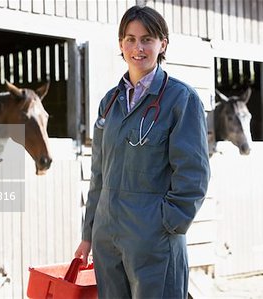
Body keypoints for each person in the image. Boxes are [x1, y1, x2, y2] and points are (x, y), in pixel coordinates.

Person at [74, 5, 210, 299]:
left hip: (154, 240)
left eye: (147, 39)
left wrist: (165, 225)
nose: (138, 47)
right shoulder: (109, 103)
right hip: (107, 240)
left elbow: (193, 173)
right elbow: (99, 175)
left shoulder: (180, 99)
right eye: (130, 39)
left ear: (163, 44)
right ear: (121, 44)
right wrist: (89, 236)